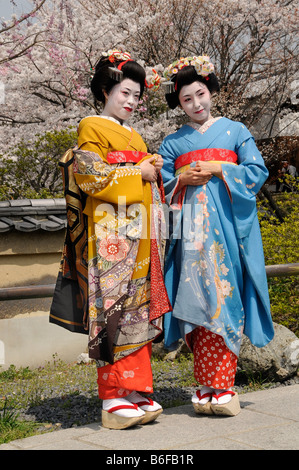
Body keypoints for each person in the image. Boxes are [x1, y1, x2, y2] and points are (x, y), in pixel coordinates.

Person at [50, 50, 171, 429]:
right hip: (111, 233)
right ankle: (112, 397)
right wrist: (140, 172)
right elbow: (91, 177)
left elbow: (132, 171)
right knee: (114, 308)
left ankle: (135, 391)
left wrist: (151, 169)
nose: (132, 101)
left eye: (137, 96)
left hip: (137, 230)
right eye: (126, 93)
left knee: (136, 306)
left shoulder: (133, 133)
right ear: (105, 90)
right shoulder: (92, 127)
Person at [158, 56, 274, 416]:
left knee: (225, 296)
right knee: (195, 300)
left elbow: (256, 173)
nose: (196, 104)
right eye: (186, 100)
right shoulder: (173, 142)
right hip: (190, 237)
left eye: (200, 94)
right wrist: (181, 181)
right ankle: (204, 385)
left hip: (226, 233)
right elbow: (159, 187)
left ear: (211, 91)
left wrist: (220, 168)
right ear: (179, 104)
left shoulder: (236, 130)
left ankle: (222, 385)